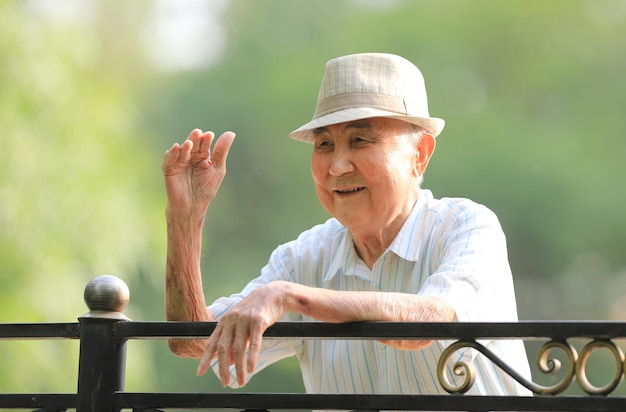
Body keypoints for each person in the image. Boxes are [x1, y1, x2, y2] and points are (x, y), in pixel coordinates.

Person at [162, 52, 532, 398]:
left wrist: (290, 297)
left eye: (360, 140)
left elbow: (431, 321)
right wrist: (186, 219)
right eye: (324, 145)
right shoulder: (304, 259)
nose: (337, 166)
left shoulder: (466, 227)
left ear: (419, 155)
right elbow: (192, 343)